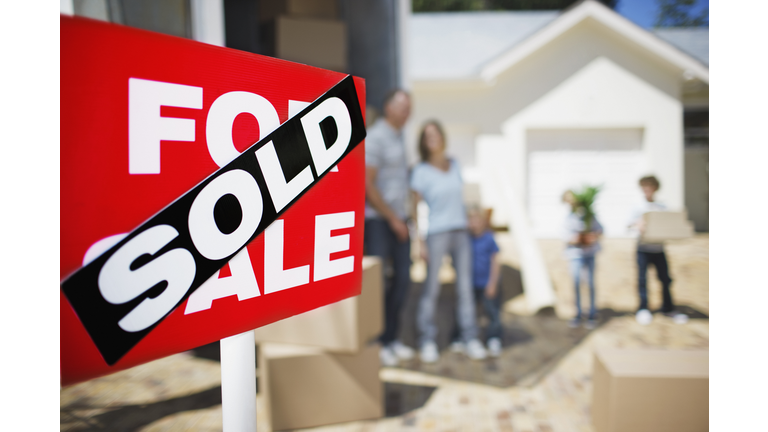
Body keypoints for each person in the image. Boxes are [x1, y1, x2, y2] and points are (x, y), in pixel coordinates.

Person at [410, 120, 487, 363]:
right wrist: (419, 240)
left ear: (442, 137)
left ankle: (469, 337)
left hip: (461, 231)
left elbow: (465, 199)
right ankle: (427, 339)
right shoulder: (420, 171)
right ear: (423, 142)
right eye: (427, 136)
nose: (432, 139)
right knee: (431, 287)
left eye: (435, 134)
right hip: (436, 233)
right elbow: (413, 208)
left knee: (464, 287)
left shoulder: (455, 165)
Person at [364, 89, 416, 366]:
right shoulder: (376, 137)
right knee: (379, 281)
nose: (407, 112)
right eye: (402, 107)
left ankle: (393, 338)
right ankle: (379, 341)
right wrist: (394, 219)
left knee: (404, 279)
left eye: (410, 108)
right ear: (388, 108)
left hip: (400, 220)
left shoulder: (400, 137)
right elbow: (367, 185)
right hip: (379, 221)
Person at [628, 175, 688, 325]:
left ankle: (668, 308)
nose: (647, 190)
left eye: (650, 187)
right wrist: (637, 226)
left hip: (659, 248)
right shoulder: (638, 207)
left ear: (655, 188)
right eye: (644, 188)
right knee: (642, 279)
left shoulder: (662, 206)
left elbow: (668, 226)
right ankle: (643, 308)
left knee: (665, 279)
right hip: (643, 248)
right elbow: (628, 227)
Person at [449, 206, 503, 357]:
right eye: (470, 220)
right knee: (465, 310)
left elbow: (495, 261)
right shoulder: (464, 239)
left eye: (476, 220)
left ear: (483, 221)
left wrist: (493, 283)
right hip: (469, 283)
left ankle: (494, 338)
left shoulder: (489, 238)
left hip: (486, 283)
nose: (473, 224)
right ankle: (458, 337)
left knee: (492, 312)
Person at [562, 190, 603, 330]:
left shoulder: (589, 216)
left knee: (590, 283)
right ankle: (578, 313)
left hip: (589, 253)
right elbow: (566, 237)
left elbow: (600, 230)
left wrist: (592, 236)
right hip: (575, 255)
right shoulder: (569, 218)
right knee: (576, 282)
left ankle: (592, 312)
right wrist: (576, 239)